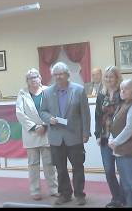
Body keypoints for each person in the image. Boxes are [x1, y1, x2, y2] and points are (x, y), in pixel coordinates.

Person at [40, 62, 91, 206]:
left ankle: (80, 194)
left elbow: (85, 114)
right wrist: (49, 119)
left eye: (61, 74)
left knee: (78, 167)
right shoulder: (47, 92)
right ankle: (65, 194)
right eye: (55, 75)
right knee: (60, 168)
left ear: (67, 74)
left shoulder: (79, 90)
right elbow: (42, 111)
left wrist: (86, 133)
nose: (58, 77)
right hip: (56, 137)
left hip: (74, 136)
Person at [16, 68, 58, 200]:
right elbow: (19, 113)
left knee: (49, 163)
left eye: (35, 77)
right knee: (33, 164)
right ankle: (35, 190)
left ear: (40, 78)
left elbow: (54, 109)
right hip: (31, 133)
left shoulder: (48, 90)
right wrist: (34, 127)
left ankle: (53, 189)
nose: (33, 79)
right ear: (27, 81)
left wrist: (45, 125)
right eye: (30, 78)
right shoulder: (22, 93)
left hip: (47, 131)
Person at [108, 79, 132, 207]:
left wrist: (115, 141)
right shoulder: (124, 104)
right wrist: (111, 139)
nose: (122, 91)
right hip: (121, 150)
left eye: (126, 89)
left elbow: (130, 128)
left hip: (131, 151)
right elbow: (114, 124)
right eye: (121, 89)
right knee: (125, 184)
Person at [94, 66, 125, 208]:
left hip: (121, 138)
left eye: (111, 77)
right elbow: (98, 116)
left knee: (124, 170)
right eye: (106, 77)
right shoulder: (101, 94)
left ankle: (124, 198)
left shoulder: (123, 93)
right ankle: (116, 198)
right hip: (105, 137)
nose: (108, 79)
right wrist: (98, 135)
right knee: (109, 170)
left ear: (117, 78)